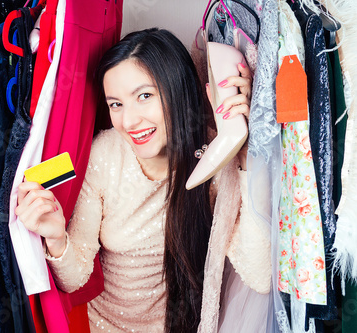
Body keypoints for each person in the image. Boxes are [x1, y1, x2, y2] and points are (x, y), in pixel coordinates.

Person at [15, 28, 268, 333]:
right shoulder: (104, 154)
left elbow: (260, 275)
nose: (129, 121)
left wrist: (244, 153)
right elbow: (76, 276)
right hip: (99, 326)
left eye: (144, 96)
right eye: (116, 104)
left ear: (177, 90)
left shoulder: (213, 161)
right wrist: (56, 239)